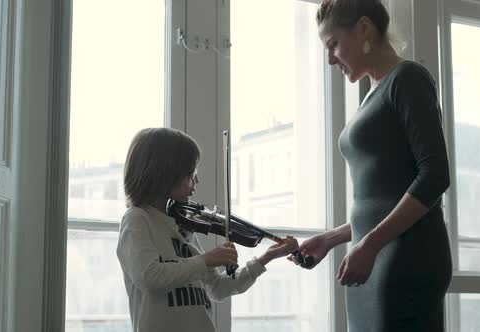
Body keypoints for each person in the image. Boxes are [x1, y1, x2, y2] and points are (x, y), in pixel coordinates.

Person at [290, 1, 453, 331]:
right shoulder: (372, 94)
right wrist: (333, 238)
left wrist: (370, 244)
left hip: (405, 259)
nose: (329, 58)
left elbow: (434, 176)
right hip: (374, 255)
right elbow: (385, 197)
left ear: (364, 28)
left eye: (333, 44)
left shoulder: (407, 78)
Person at [117, 127, 299, 332]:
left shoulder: (182, 226)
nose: (196, 180)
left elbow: (217, 288)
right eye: (190, 173)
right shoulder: (137, 220)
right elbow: (149, 277)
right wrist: (206, 260)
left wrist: (265, 258)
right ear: (166, 173)